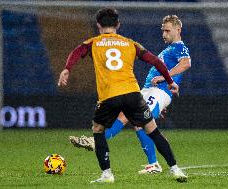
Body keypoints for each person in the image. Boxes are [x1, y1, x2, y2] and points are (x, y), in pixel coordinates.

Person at [58, 8, 185, 183]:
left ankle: (107, 174)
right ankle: (175, 169)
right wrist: (170, 81)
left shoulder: (93, 42)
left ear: (98, 25)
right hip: (133, 94)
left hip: (109, 95)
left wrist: (67, 69)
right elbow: (155, 61)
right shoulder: (129, 43)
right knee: (153, 130)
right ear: (118, 24)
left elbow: (77, 52)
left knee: (98, 129)